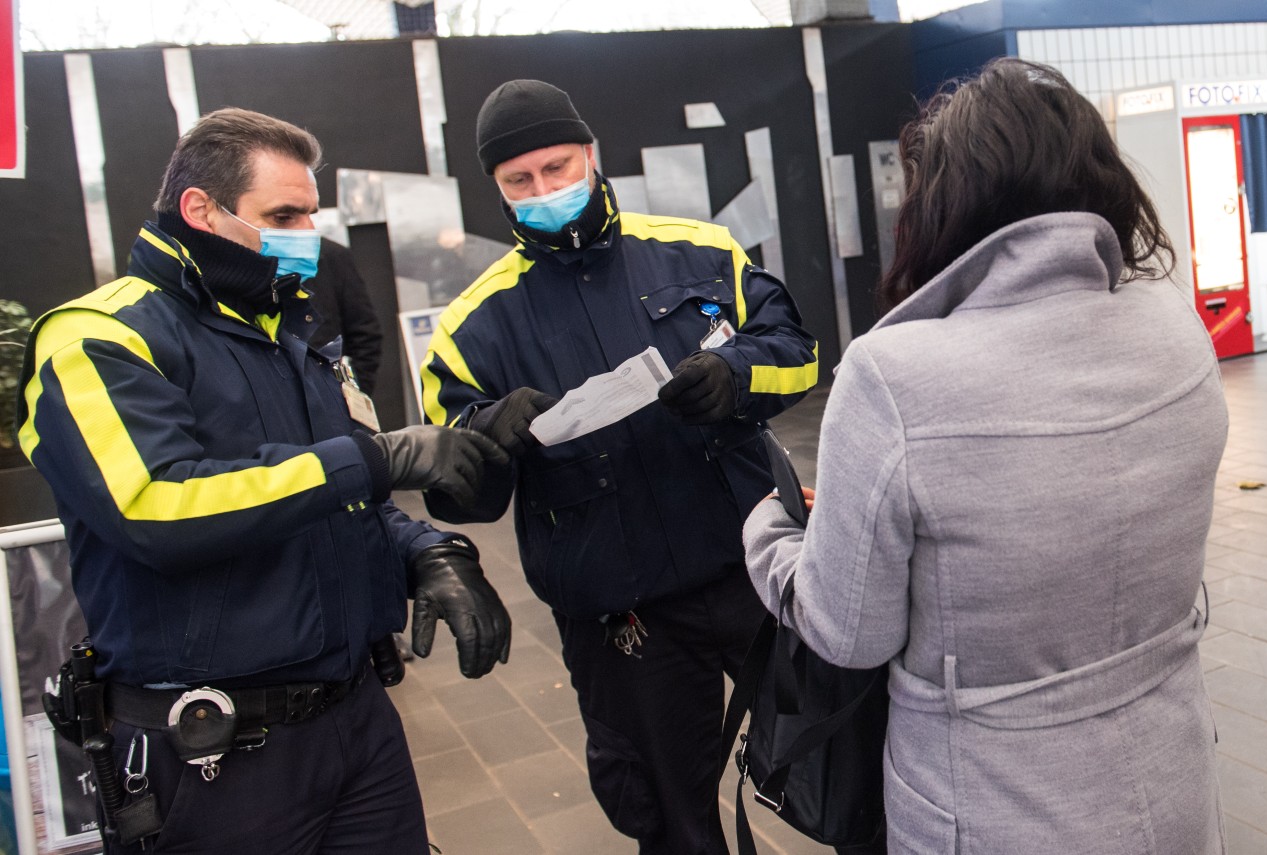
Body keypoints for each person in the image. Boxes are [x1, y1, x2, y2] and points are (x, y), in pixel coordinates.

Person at [743, 58, 1227, 855]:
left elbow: (847, 630)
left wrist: (770, 531)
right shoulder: (1173, 326)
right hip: (1172, 778)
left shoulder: (892, 377)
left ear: (943, 202)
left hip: (993, 808)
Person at [16, 107, 513, 854]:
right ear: (199, 209)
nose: (304, 233)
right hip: (215, 757)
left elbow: (334, 497)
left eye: (310, 214)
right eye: (281, 214)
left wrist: (424, 551)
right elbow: (157, 506)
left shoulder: (286, 338)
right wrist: (376, 460)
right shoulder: (98, 337)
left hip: (357, 725)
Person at [418, 80, 819, 853]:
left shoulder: (699, 250)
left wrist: (734, 377)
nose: (545, 191)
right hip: (625, 623)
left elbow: (798, 354)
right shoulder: (470, 327)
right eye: (520, 181)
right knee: (671, 821)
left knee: (843, 761)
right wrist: (488, 435)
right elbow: (456, 487)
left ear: (593, 157)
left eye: (558, 167)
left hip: (756, 574)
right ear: (496, 190)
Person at [308, 237, 383, 393]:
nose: (307, 224)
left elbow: (365, 333)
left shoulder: (331, 255)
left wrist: (353, 397)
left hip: (328, 394)